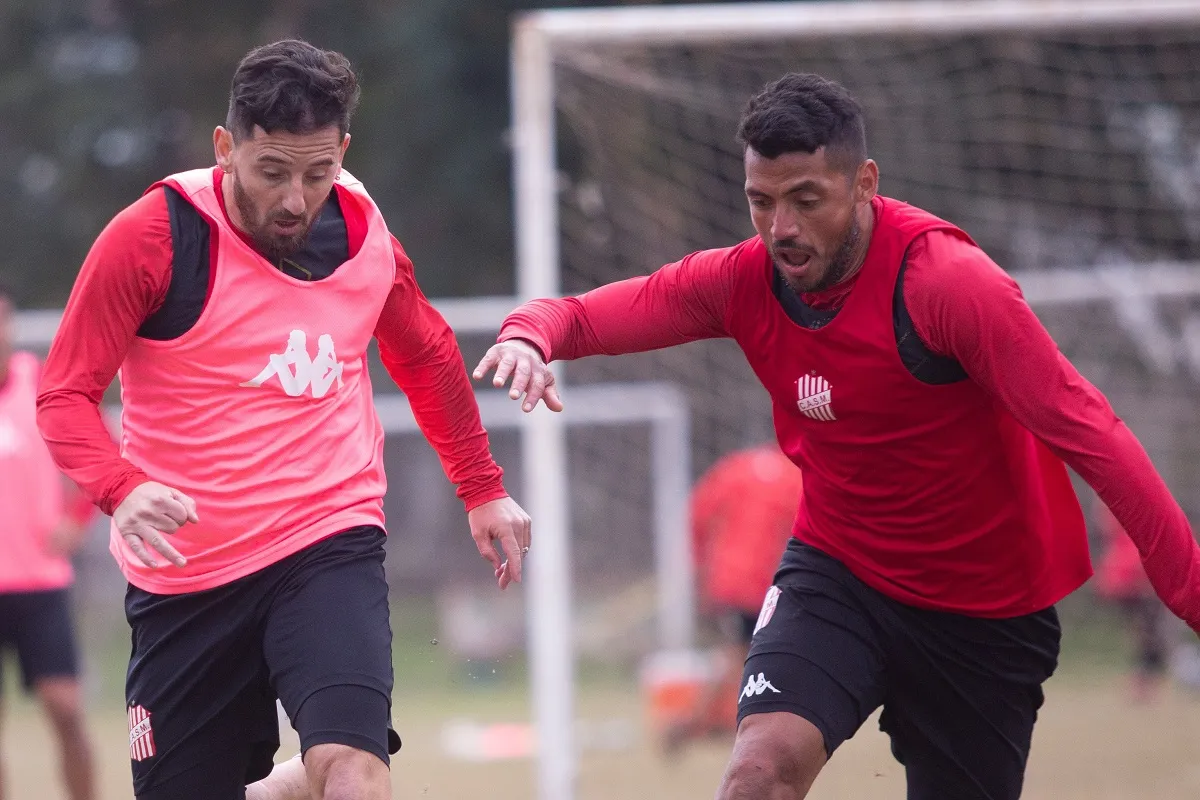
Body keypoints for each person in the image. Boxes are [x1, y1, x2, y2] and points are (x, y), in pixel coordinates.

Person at [473, 72, 1200, 800]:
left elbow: (1094, 435)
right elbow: (591, 314)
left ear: (864, 184)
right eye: (761, 201)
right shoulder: (743, 280)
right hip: (839, 576)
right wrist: (531, 335)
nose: (780, 227)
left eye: (805, 200)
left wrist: (1190, 590)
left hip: (986, 612)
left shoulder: (949, 286)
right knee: (757, 773)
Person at [37, 40, 531, 800]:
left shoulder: (363, 233)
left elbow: (426, 355)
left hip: (325, 539)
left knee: (356, 771)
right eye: (271, 173)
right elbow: (63, 394)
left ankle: (323, 767)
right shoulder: (152, 239)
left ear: (343, 152)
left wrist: (481, 486)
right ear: (225, 148)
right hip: (186, 577)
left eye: (318, 172)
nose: (297, 200)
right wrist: (121, 487)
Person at [0, 286, 97, 800]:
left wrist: (78, 517)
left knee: (66, 709)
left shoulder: (38, 382)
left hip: (40, 581)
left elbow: (91, 445)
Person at [660, 444, 802, 755]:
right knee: (744, 654)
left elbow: (697, 513)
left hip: (727, 578)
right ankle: (694, 723)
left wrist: (699, 564)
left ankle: (711, 722)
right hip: (766, 579)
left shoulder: (733, 467)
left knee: (741, 652)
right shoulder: (796, 476)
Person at [1092, 499, 1173, 702]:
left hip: (1125, 578)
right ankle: (1141, 686)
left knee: (1146, 636)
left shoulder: (1112, 510)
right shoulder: (1124, 510)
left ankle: (1142, 685)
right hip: (1132, 580)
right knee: (1150, 636)